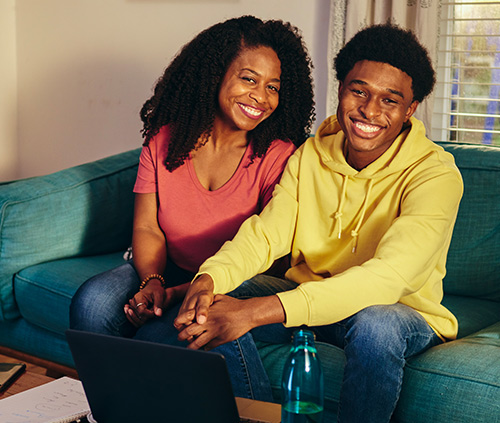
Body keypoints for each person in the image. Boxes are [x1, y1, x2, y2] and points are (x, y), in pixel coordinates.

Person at [173, 23, 464, 422]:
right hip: (313, 296)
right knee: (213, 300)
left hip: (396, 311)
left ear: (410, 109)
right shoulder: (310, 154)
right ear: (341, 88)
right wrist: (209, 278)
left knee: (376, 323)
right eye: (359, 91)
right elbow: (265, 235)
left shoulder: (436, 175)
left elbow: (386, 279)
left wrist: (258, 312)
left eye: (390, 100)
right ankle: (254, 417)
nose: (370, 111)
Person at [70, 15, 315, 400]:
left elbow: (271, 260)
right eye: (248, 79)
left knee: (172, 327)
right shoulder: (166, 139)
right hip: (170, 268)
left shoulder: (279, 157)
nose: (261, 97)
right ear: (215, 75)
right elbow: (149, 228)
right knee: (93, 301)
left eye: (273, 87)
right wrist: (153, 281)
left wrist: (179, 294)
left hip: (240, 284)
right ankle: (115, 407)